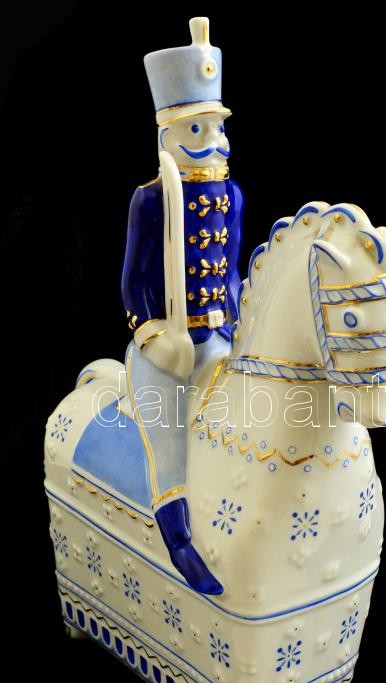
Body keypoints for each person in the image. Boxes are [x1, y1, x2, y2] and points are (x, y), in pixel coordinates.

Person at [121, 17, 243, 594]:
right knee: (169, 438)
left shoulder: (232, 195)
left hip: (217, 338)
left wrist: (238, 323)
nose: (212, 139)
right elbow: (133, 283)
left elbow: (230, 272)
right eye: (197, 127)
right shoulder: (149, 200)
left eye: (216, 126)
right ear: (168, 135)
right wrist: (151, 333)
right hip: (165, 347)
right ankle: (178, 541)